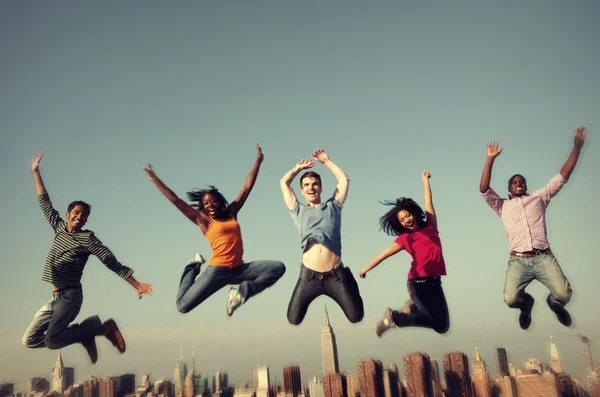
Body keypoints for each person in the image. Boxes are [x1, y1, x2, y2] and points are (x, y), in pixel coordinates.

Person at [23, 152, 155, 364]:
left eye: (84, 215)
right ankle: (84, 332)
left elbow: (111, 262)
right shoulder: (58, 227)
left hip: (69, 298)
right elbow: (44, 202)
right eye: (76, 212)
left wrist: (136, 284)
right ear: (68, 214)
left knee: (51, 342)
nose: (80, 216)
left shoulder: (88, 239)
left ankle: (98, 328)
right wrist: (36, 171)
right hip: (54, 299)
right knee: (29, 340)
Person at [143, 145, 285, 316]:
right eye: (206, 203)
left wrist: (258, 162)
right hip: (217, 271)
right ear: (203, 207)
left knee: (277, 268)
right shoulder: (204, 221)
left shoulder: (231, 213)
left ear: (220, 202)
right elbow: (177, 202)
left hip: (239, 269)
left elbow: (247, 187)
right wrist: (155, 179)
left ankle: (241, 293)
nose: (210, 205)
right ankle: (192, 267)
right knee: (182, 306)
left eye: (213, 201)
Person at [479, 126, 588, 329]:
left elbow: (563, 176)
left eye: (521, 181)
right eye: (514, 182)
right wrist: (490, 158)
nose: (518, 182)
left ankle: (555, 305)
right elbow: (484, 189)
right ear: (509, 188)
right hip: (518, 261)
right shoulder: (502, 205)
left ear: (526, 186)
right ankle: (526, 305)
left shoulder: (540, 198)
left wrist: (577, 147)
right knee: (511, 299)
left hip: (543, 257)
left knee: (564, 294)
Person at [360, 171, 449, 337]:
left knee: (442, 327)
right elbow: (384, 254)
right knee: (432, 319)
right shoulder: (405, 238)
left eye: (407, 215)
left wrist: (424, 181)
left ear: (414, 214)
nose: (407, 220)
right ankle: (395, 318)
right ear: (400, 224)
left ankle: (411, 308)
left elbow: (428, 201)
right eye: (402, 220)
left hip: (435, 282)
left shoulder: (431, 226)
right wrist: (365, 268)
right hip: (418, 282)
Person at [281, 149, 364, 325]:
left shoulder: (333, 206)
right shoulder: (298, 210)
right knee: (293, 319)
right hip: (308, 277)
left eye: (315, 184)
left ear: (320, 188)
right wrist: (297, 169)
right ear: (302, 190)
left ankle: (348, 278)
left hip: (335, 276)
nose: (311, 187)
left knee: (356, 316)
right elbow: (284, 182)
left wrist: (327, 161)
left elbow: (343, 180)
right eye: (307, 185)